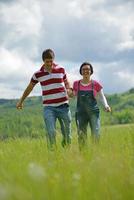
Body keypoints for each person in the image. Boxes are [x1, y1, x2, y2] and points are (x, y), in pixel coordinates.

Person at [16, 49, 72, 149]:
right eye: (47, 61)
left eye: (51, 61)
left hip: (63, 106)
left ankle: (66, 147)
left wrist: (69, 89)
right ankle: (52, 154)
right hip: (49, 108)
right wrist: (21, 101)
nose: (49, 63)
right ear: (43, 61)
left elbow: (67, 82)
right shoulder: (38, 74)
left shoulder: (61, 69)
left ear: (53, 59)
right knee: (51, 132)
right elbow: (29, 88)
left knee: (67, 133)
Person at [72, 62, 111, 149]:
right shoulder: (76, 84)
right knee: (82, 135)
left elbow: (101, 96)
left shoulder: (95, 84)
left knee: (96, 133)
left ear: (91, 71)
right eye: (83, 69)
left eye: (88, 69)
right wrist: (69, 94)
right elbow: (73, 95)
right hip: (81, 113)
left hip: (93, 112)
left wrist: (106, 105)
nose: (86, 71)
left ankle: (96, 153)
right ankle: (84, 155)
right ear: (81, 72)